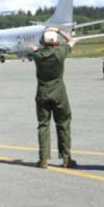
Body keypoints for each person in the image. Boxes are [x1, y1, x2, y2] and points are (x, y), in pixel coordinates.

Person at [32, 27, 76, 169]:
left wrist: (44, 35)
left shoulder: (37, 55)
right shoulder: (61, 52)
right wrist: (58, 31)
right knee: (63, 124)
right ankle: (65, 158)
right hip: (59, 92)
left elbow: (38, 47)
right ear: (56, 41)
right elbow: (71, 40)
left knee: (43, 125)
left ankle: (43, 159)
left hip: (43, 92)